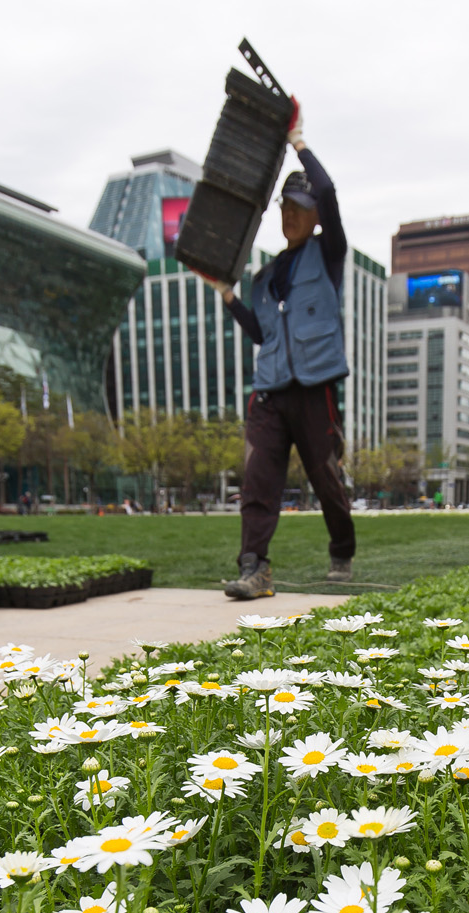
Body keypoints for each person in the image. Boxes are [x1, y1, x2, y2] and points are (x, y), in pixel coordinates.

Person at [200, 102, 353, 599]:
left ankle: (341, 551)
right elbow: (262, 333)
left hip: (315, 391)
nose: (292, 216)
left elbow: (327, 191)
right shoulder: (266, 277)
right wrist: (227, 294)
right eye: (286, 209)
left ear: (314, 219)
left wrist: (297, 140)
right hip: (269, 395)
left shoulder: (329, 258)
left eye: (301, 210)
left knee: (326, 478)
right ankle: (254, 569)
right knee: (257, 481)